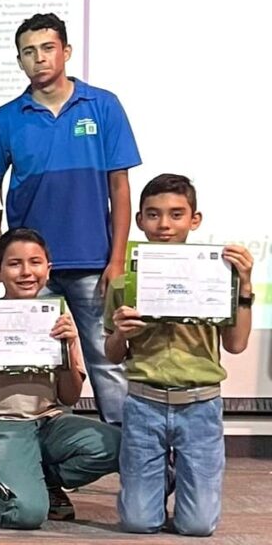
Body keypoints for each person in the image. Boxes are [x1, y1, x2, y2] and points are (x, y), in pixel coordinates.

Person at [0, 12, 141, 424]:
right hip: (30, 270)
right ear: (20, 61)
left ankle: (135, 465)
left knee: (107, 365)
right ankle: (46, 474)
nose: (40, 58)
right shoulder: (6, 117)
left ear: (66, 51)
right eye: (28, 52)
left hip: (94, 262)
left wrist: (117, 258)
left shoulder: (102, 105)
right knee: (38, 368)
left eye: (48, 48)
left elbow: (120, 188)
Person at [0, 227, 121, 528]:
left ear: (48, 269)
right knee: (26, 514)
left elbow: (70, 396)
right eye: (14, 263)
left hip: (48, 422)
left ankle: (42, 478)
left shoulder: (58, 318)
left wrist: (65, 352)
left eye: (35, 262)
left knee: (117, 445)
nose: (26, 272)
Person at [105, 174, 253, 536]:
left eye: (176, 214)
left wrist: (246, 286)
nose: (164, 225)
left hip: (200, 405)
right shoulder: (124, 281)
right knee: (139, 522)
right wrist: (122, 333)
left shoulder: (218, 275)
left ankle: (173, 476)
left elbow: (235, 345)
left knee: (198, 526)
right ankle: (157, 477)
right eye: (153, 215)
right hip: (144, 402)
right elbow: (111, 354)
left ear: (194, 219)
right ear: (139, 220)